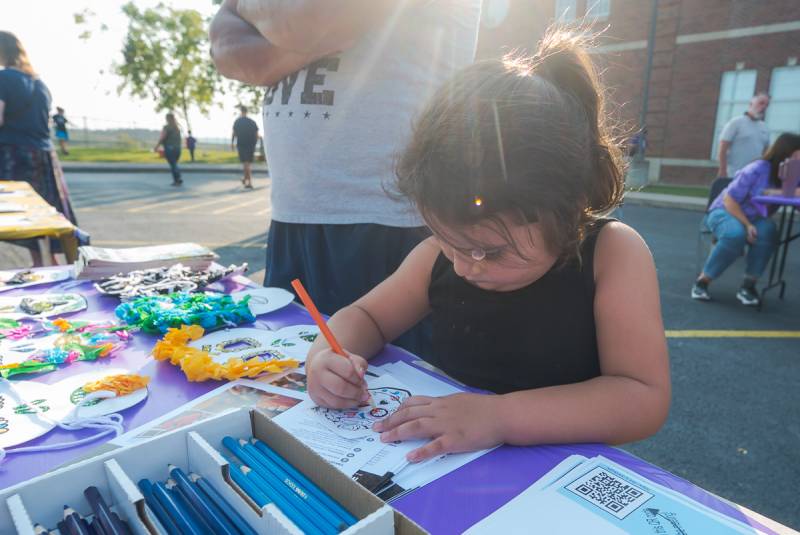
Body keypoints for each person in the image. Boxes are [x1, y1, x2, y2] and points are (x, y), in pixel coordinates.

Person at [304, 30, 671, 462]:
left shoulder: (611, 255)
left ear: (567, 206)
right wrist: (327, 357)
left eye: (488, 252)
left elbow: (643, 397)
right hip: (446, 461)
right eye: (445, 239)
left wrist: (499, 416)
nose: (461, 266)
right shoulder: (438, 257)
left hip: (556, 473)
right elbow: (366, 316)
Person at [210, 0, 481, 358]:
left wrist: (243, 9)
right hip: (294, 220)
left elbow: (314, 19)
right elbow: (226, 53)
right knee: (289, 377)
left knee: (391, 391)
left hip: (391, 225)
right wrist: (298, 42)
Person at [692, 133, 800, 306]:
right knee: (736, 234)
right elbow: (729, 200)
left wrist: (786, 191)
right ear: (787, 152)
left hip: (756, 218)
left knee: (768, 230)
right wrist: (747, 224)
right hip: (725, 211)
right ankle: (702, 281)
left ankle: (748, 286)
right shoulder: (757, 168)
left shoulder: (794, 174)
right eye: (798, 153)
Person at [0, 31, 78, 266]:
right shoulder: (40, 84)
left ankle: (43, 263)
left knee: (22, 215)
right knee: (44, 214)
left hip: (15, 154)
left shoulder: (4, 79)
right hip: (45, 156)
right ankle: (50, 263)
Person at [717, 92, 770, 179]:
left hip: (754, 175)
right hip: (733, 174)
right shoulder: (736, 122)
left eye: (766, 105)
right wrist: (723, 170)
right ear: (751, 103)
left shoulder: (764, 127)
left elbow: (766, 152)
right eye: (761, 103)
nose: (764, 107)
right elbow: (723, 148)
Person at [231, 105, 258, 189]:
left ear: (241, 111)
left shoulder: (237, 121)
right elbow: (257, 134)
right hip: (251, 145)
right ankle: (245, 179)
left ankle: (249, 182)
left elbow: (234, 134)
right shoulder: (252, 122)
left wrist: (232, 143)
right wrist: (254, 143)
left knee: (246, 164)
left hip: (241, 144)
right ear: (247, 112)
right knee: (247, 164)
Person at [153, 112, 182, 186]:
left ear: (167, 119)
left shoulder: (166, 127)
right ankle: (178, 178)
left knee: (173, 165)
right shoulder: (177, 127)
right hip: (178, 148)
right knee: (175, 164)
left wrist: (157, 146)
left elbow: (162, 137)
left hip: (170, 148)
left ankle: (177, 179)